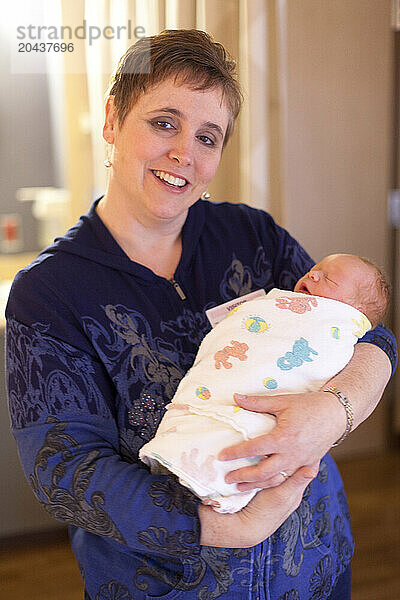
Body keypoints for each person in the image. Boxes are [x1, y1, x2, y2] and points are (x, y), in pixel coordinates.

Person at [5, 30, 396, 600]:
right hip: (173, 583)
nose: (184, 153)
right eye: (164, 122)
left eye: (207, 137)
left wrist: (334, 412)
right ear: (113, 120)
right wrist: (221, 527)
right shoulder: (49, 293)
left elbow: (366, 335)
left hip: (313, 563)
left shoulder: (253, 236)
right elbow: (62, 470)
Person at [139, 253, 390, 514]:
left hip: (279, 422)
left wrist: (334, 409)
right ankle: (180, 455)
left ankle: (223, 484)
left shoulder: (336, 325)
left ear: (353, 312)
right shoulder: (279, 302)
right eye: (315, 270)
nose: (312, 274)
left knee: (245, 440)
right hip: (223, 385)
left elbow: (381, 340)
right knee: (203, 419)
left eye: (330, 279)